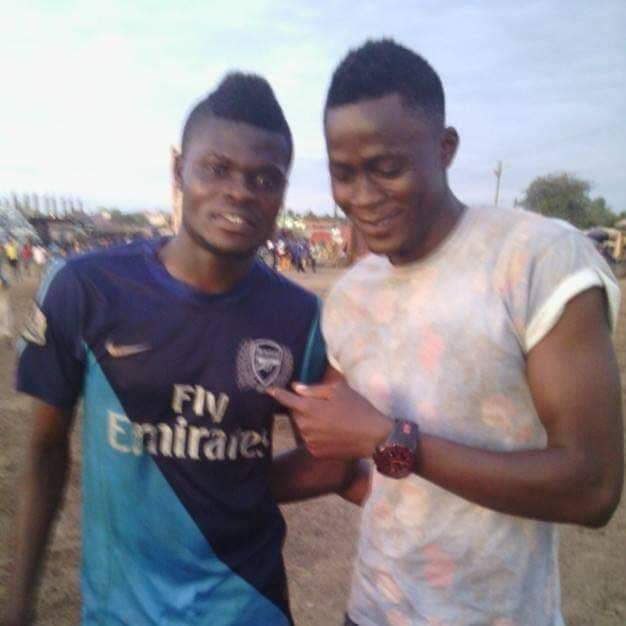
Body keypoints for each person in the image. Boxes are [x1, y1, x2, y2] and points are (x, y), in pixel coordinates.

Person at [269, 39, 624, 626]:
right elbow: (332, 463)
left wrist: (391, 439)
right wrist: (207, 486)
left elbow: (592, 487)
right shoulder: (352, 297)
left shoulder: (537, 260)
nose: (363, 196)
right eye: (343, 174)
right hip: (372, 610)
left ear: (445, 148)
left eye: (387, 168)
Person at [6, 73, 327, 626]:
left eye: (265, 178)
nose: (240, 192)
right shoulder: (85, 288)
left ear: (282, 192)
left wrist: (231, 485)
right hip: (120, 612)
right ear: (179, 169)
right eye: (216, 168)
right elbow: (44, 451)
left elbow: (327, 459)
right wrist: (16, 606)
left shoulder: (300, 316)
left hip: (249, 608)